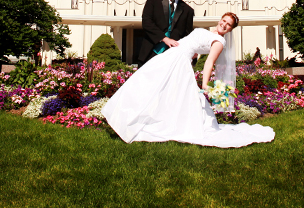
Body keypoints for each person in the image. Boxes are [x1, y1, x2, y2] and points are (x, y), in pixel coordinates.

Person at [103, 12, 275, 148]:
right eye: (224, 21)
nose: (224, 24)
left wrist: (205, 84)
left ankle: (144, 121)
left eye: (228, 24)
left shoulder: (219, 41)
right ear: (220, 20)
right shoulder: (211, 33)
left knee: (157, 86)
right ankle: (123, 115)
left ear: (230, 29)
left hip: (179, 61)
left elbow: (209, 62)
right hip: (172, 55)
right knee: (147, 81)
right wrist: (194, 52)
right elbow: (196, 45)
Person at [138, 0, 194, 65]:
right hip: (150, 53)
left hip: (173, 58)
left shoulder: (188, 11)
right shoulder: (153, 0)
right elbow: (146, 23)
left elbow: (187, 35)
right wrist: (164, 38)